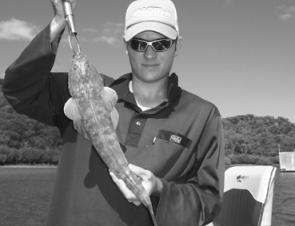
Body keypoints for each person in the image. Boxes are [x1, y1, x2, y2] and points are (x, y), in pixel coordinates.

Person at [3, 0, 224, 225]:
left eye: (161, 44)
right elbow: (17, 88)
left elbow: (209, 201)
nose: (149, 54)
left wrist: (159, 189)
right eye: (138, 43)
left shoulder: (203, 115)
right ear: (125, 45)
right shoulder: (75, 98)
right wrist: (59, 22)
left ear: (177, 45)